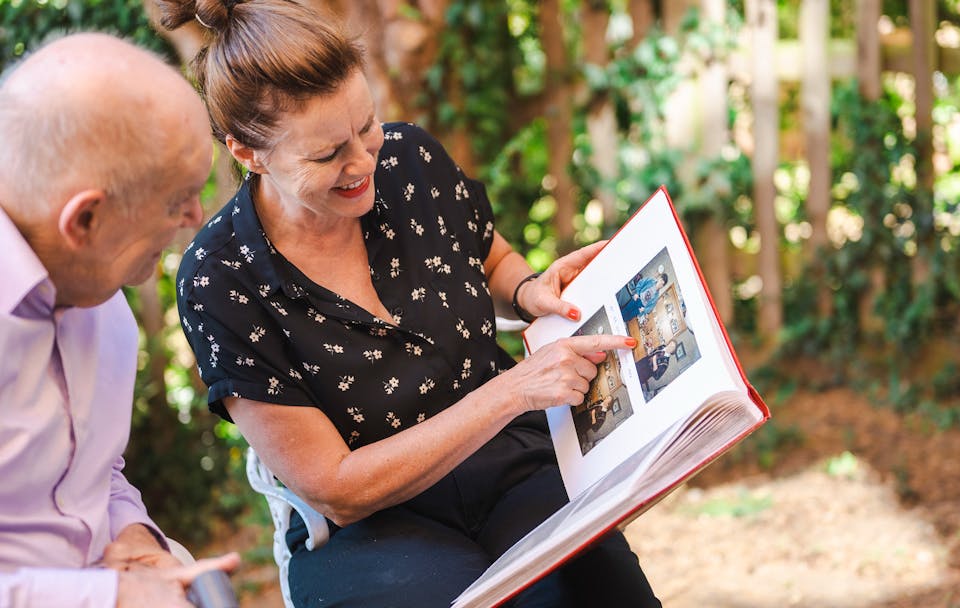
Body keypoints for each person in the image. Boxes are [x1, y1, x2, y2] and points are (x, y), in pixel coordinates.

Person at [159, 0, 661, 605]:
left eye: (366, 126)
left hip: (507, 461)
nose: (364, 162)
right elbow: (336, 488)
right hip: (369, 527)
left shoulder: (410, 160)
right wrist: (515, 389)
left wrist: (530, 290)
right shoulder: (219, 279)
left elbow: (491, 258)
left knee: (602, 591)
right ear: (248, 153)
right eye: (327, 155)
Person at [0, 33, 240, 607]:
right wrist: (107, 598)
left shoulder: (100, 294)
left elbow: (92, 471)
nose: (195, 216)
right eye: (177, 199)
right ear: (84, 220)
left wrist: (132, 531)